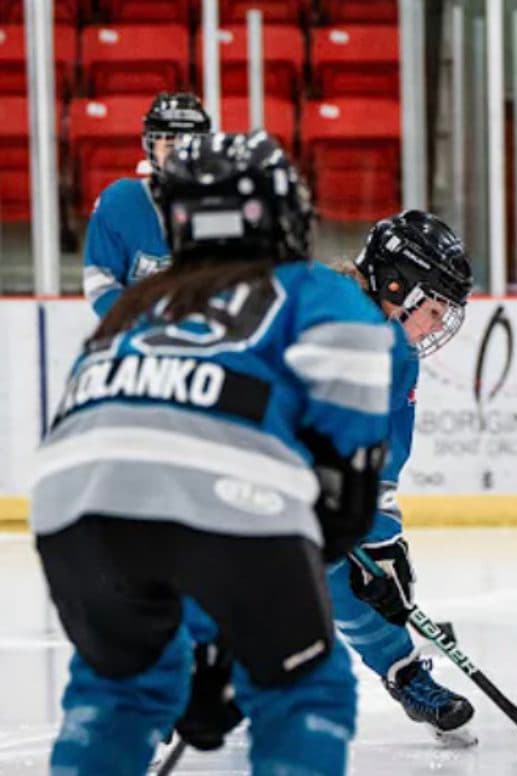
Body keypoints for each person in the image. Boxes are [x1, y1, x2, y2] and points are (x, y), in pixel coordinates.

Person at [30, 131, 398, 775]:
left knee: (117, 692)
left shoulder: (132, 308)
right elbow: (339, 503)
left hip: (69, 508)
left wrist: (208, 641)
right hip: (229, 506)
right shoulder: (321, 294)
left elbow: (118, 448)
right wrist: (239, 636)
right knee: (305, 687)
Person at [327, 211, 477, 746]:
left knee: (353, 581)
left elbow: (383, 461)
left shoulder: (400, 358)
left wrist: (381, 540)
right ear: (397, 286)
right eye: (434, 307)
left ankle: (407, 674)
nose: (437, 323)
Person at [83, 92, 211, 316]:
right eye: (169, 145)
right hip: (140, 339)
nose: (180, 154)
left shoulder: (227, 202)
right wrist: (137, 328)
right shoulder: (119, 203)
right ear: (151, 146)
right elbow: (101, 284)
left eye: (190, 144)